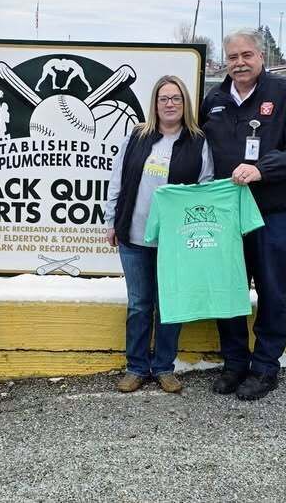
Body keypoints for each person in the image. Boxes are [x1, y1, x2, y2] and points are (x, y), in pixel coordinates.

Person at [199, 29, 286, 400]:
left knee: (271, 287)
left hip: (272, 210)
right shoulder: (214, 100)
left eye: (246, 55)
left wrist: (262, 169)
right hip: (226, 214)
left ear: (261, 56)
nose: (239, 63)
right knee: (229, 286)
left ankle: (266, 366)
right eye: (232, 57)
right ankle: (234, 362)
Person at [103, 75, 213, 394]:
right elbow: (117, 180)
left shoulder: (197, 141)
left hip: (175, 241)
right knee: (139, 304)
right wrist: (111, 221)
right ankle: (136, 367)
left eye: (176, 98)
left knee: (169, 305)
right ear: (154, 104)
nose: (170, 104)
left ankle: (164, 367)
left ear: (185, 103)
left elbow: (204, 187)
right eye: (163, 98)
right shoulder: (136, 137)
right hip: (134, 235)